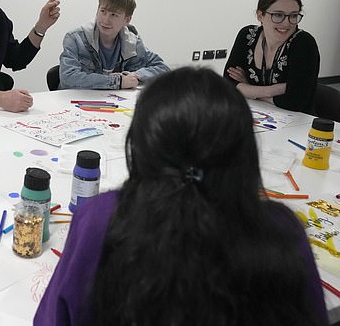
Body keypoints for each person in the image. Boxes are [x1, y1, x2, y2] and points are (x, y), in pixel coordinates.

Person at [35, 67, 327, 326]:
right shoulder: (281, 230)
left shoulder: (102, 218)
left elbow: (53, 317)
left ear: (141, 146)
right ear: (243, 152)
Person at [224, 0, 320, 113]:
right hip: (259, 113)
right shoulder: (247, 36)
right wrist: (273, 91)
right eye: (278, 15)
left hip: (298, 122)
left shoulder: (303, 43)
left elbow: (295, 101)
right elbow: (228, 84)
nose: (286, 23)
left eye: (293, 16)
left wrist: (248, 89)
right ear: (260, 15)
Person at [59, 0, 169, 90]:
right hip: (75, 104)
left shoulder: (133, 42)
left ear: (127, 20)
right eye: (103, 11)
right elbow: (68, 78)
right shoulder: (76, 38)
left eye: (114, 15)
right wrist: (116, 81)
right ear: (97, 11)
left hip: (113, 104)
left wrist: (135, 75)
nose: (106, 20)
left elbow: (163, 68)